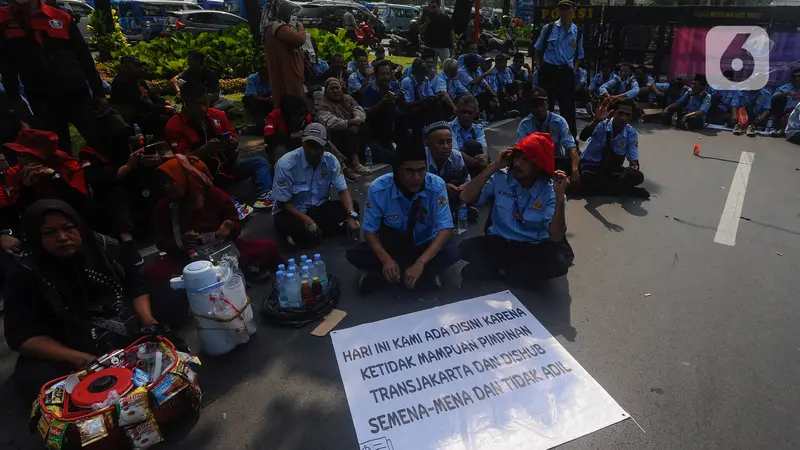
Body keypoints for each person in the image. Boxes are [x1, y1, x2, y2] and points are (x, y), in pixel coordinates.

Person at [3, 199, 164, 400]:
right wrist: (79, 358)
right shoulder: (24, 272)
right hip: (65, 341)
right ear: (35, 236)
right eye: (49, 233)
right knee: (34, 380)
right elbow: (22, 336)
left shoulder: (103, 246)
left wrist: (148, 320)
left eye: (68, 228)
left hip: (120, 317)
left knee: (172, 299)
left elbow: (135, 285)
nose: (62, 237)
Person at [146, 156, 283, 285]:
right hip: (188, 259)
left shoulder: (214, 195)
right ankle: (238, 273)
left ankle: (226, 275)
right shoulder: (165, 206)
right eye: (163, 182)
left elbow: (234, 224)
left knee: (267, 247)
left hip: (223, 251)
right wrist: (181, 241)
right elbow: (162, 242)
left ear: (184, 179)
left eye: (171, 181)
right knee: (155, 273)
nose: (166, 186)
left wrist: (229, 228)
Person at [458, 133, 569, 285]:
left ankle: (502, 271)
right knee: (463, 249)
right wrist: (493, 167)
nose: (517, 163)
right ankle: (509, 272)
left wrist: (560, 197)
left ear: (538, 166)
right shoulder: (501, 177)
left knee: (558, 264)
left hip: (533, 247)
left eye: (525, 161)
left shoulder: (551, 190)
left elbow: (556, 236)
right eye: (517, 157)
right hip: (501, 242)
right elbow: (465, 197)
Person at [346, 144, 459, 292]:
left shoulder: (436, 185)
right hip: (393, 246)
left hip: (424, 245)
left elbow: (445, 229)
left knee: (452, 252)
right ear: (397, 171)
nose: (417, 177)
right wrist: (386, 260)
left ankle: (389, 275)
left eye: (421, 170)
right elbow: (370, 231)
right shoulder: (379, 188)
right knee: (354, 253)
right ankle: (424, 276)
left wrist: (421, 263)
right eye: (409, 171)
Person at [0, 0, 105, 153]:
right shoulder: (4, 20)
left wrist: (99, 92)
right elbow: (6, 65)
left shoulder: (61, 18)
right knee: (57, 150)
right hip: (41, 98)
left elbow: (85, 58)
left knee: (99, 141)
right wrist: (14, 99)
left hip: (75, 93)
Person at [164, 82, 274, 209]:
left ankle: (266, 195)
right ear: (186, 104)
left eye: (205, 103)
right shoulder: (174, 126)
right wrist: (205, 150)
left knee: (259, 162)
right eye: (198, 105)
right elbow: (182, 160)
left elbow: (233, 137)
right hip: (203, 173)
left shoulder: (217, 115)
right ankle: (230, 204)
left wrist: (232, 142)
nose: (203, 109)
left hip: (229, 165)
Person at [272, 123, 360, 247]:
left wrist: (351, 215)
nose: (312, 151)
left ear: (325, 145)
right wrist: (306, 220)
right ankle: (331, 229)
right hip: (295, 211)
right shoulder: (286, 164)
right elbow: (282, 202)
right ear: (303, 143)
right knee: (284, 223)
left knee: (353, 207)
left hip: (320, 208)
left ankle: (312, 234)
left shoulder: (331, 161)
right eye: (309, 145)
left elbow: (342, 191)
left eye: (317, 146)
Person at [578, 98, 648, 198]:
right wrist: (596, 120)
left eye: (628, 115)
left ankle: (602, 188)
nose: (623, 118)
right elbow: (583, 137)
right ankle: (624, 190)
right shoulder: (601, 124)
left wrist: (634, 168)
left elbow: (634, 158)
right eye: (620, 113)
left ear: (631, 117)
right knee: (587, 178)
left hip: (612, 170)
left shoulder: (631, 133)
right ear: (613, 113)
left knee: (638, 178)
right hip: (591, 166)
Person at [533, 0, 584, 138]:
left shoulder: (577, 32)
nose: (564, 12)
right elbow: (537, 50)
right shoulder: (549, 28)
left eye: (567, 8)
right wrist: (539, 68)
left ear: (573, 10)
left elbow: (579, 55)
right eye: (561, 9)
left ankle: (571, 142)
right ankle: (540, 139)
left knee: (568, 110)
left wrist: (573, 71)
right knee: (544, 108)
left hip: (566, 73)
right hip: (548, 71)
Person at [517, 87, 579, 185]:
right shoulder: (525, 124)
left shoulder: (559, 121)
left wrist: (574, 169)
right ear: (530, 108)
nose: (540, 109)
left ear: (548, 104)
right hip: (535, 162)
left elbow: (571, 146)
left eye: (542, 105)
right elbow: (520, 150)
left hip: (556, 161)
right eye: (535, 106)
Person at [110, 55, 175, 138]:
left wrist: (163, 102)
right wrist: (163, 109)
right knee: (164, 121)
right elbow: (139, 105)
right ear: (125, 66)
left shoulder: (138, 79)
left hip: (146, 111)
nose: (140, 68)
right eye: (136, 66)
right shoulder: (122, 82)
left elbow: (151, 94)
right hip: (134, 117)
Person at [424, 121, 477, 221]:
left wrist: (464, 185)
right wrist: (443, 187)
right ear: (428, 144)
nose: (446, 146)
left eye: (449, 141)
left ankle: (460, 209)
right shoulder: (421, 159)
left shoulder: (456, 156)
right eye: (440, 143)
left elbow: (467, 179)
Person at [318, 78, 371, 175]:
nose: (335, 91)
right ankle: (355, 163)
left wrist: (357, 121)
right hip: (337, 137)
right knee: (348, 132)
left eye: (337, 88)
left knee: (364, 126)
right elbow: (330, 122)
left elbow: (359, 110)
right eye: (332, 89)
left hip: (355, 129)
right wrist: (350, 123)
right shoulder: (324, 105)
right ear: (327, 91)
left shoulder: (348, 99)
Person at [261, 0, 307, 107]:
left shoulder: (271, 27)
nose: (291, 16)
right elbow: (299, 39)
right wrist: (301, 27)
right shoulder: (278, 27)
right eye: (290, 13)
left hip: (283, 67)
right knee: (292, 96)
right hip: (287, 69)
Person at [361, 59, 402, 165]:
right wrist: (381, 104)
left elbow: (402, 108)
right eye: (382, 74)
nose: (386, 77)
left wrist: (402, 100)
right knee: (390, 156)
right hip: (373, 134)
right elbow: (366, 115)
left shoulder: (394, 86)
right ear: (376, 75)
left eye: (388, 74)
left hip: (390, 131)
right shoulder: (369, 91)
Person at [449, 95, 489, 177]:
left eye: (469, 113)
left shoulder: (478, 128)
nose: (466, 115)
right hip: (457, 167)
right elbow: (455, 153)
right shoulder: (449, 128)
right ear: (457, 112)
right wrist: (476, 163)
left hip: (476, 163)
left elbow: (483, 146)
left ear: (475, 114)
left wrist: (484, 156)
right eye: (463, 112)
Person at [419, 0, 454, 67]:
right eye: (431, 7)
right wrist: (427, 22)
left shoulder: (445, 18)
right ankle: (432, 76)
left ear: (438, 7)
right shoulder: (426, 17)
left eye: (434, 7)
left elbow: (451, 31)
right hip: (430, 47)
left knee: (447, 64)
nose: (433, 9)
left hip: (444, 47)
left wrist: (453, 44)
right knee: (431, 66)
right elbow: (420, 30)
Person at [769, 68, 800, 136]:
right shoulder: (784, 88)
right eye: (795, 77)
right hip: (788, 112)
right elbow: (773, 99)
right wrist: (787, 93)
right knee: (780, 98)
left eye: (799, 76)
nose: (797, 79)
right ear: (791, 79)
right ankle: (782, 128)